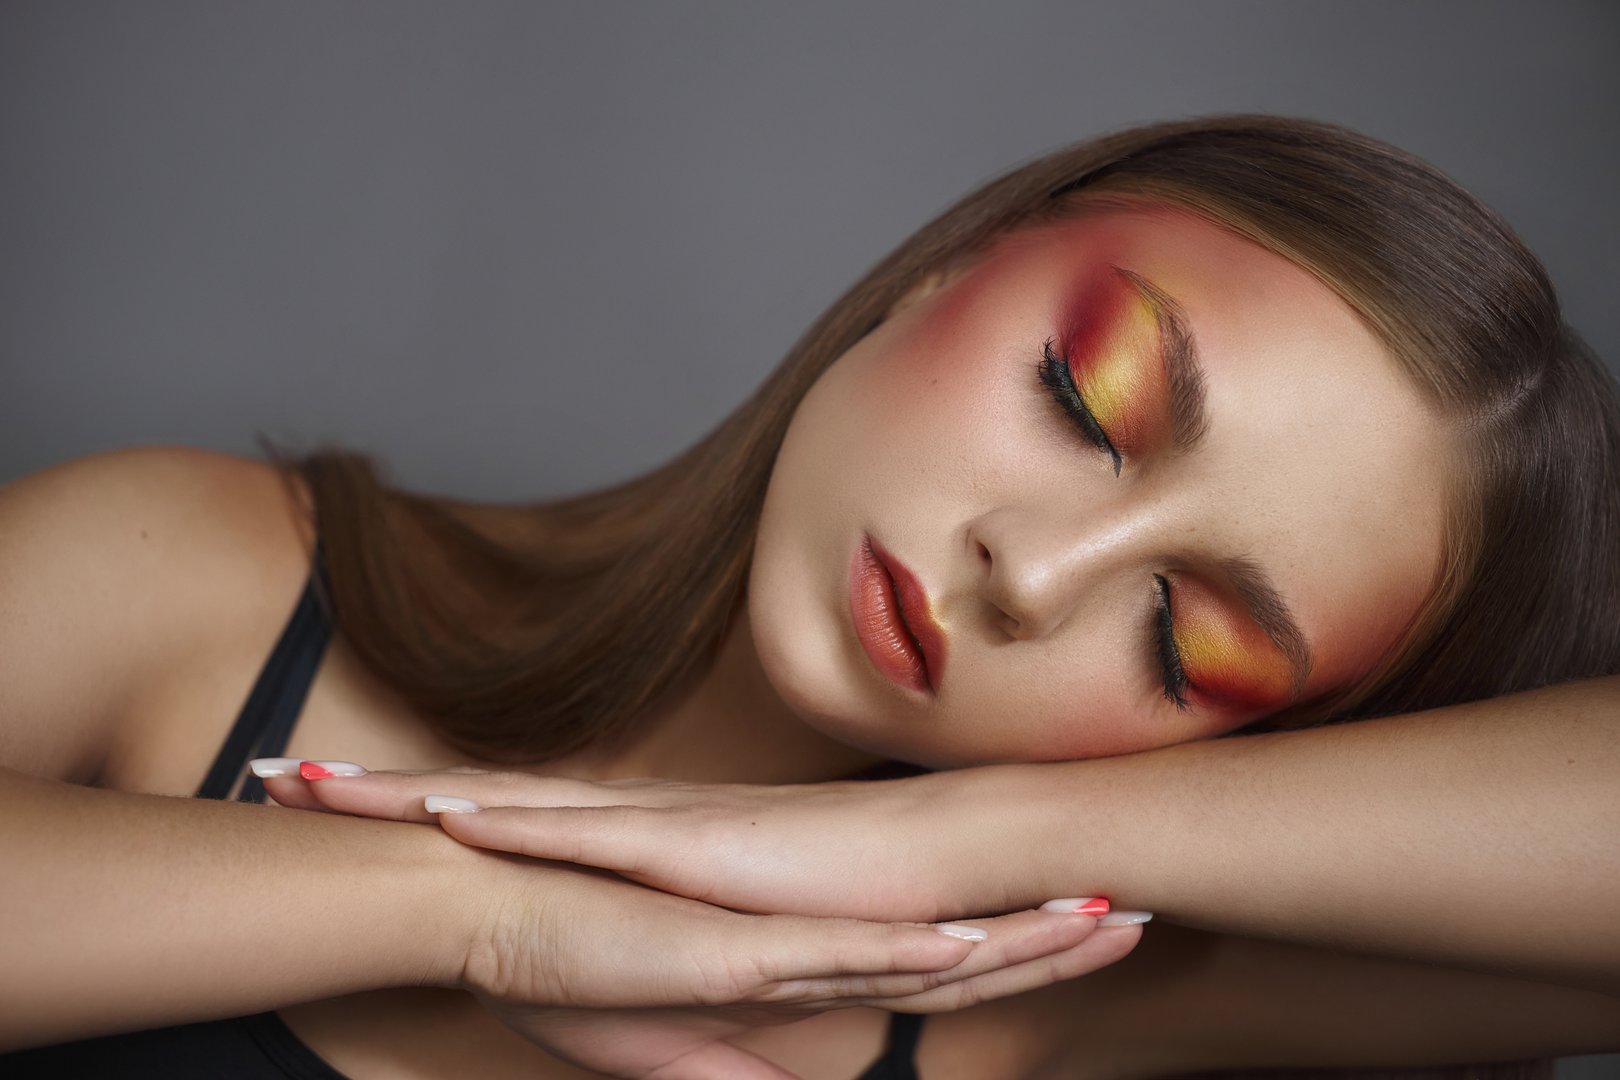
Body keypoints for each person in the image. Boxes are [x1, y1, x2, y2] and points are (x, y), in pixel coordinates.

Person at [2, 114, 1617, 1078]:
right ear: (960, 259)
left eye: (1184, 646)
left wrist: (967, 844)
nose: (1033, 576)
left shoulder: (1037, 1010)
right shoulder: (192, 579)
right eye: (1083, 394)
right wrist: (486, 920)